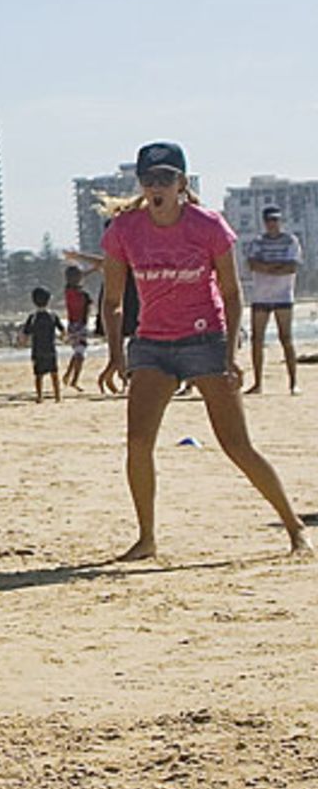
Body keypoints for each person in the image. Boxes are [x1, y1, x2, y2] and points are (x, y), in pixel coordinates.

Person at [96, 142, 311, 560]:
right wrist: (116, 354)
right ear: (141, 185)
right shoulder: (124, 230)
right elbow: (112, 300)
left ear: (182, 183)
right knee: (138, 442)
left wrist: (230, 353)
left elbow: (232, 294)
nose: (157, 186)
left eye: (166, 178)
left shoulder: (208, 226)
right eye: (149, 179)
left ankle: (294, 527)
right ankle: (147, 538)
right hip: (152, 345)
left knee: (236, 444)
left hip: (204, 339)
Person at [244, 205, 302, 395]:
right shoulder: (257, 242)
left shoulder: (290, 240)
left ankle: (293, 382)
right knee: (257, 339)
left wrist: (267, 266)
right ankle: (258, 382)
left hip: (283, 295)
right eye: (269, 220)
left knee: (286, 338)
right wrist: (275, 266)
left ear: (280, 221)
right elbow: (253, 264)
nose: (272, 224)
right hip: (261, 295)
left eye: (275, 220)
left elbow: (292, 267)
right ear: (264, 222)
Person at [18, 286, 64, 403]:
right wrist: (62, 338)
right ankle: (57, 396)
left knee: (38, 375)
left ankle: (40, 396)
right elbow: (63, 331)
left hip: (37, 350)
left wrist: (22, 343)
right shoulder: (53, 316)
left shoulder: (33, 317)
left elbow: (25, 333)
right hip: (51, 349)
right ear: (49, 300)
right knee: (54, 373)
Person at [61, 265, 93, 391]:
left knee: (78, 353)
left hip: (77, 326)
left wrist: (94, 269)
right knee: (80, 355)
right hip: (77, 326)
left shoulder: (71, 289)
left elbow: (82, 275)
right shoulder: (75, 292)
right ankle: (73, 380)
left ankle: (68, 375)